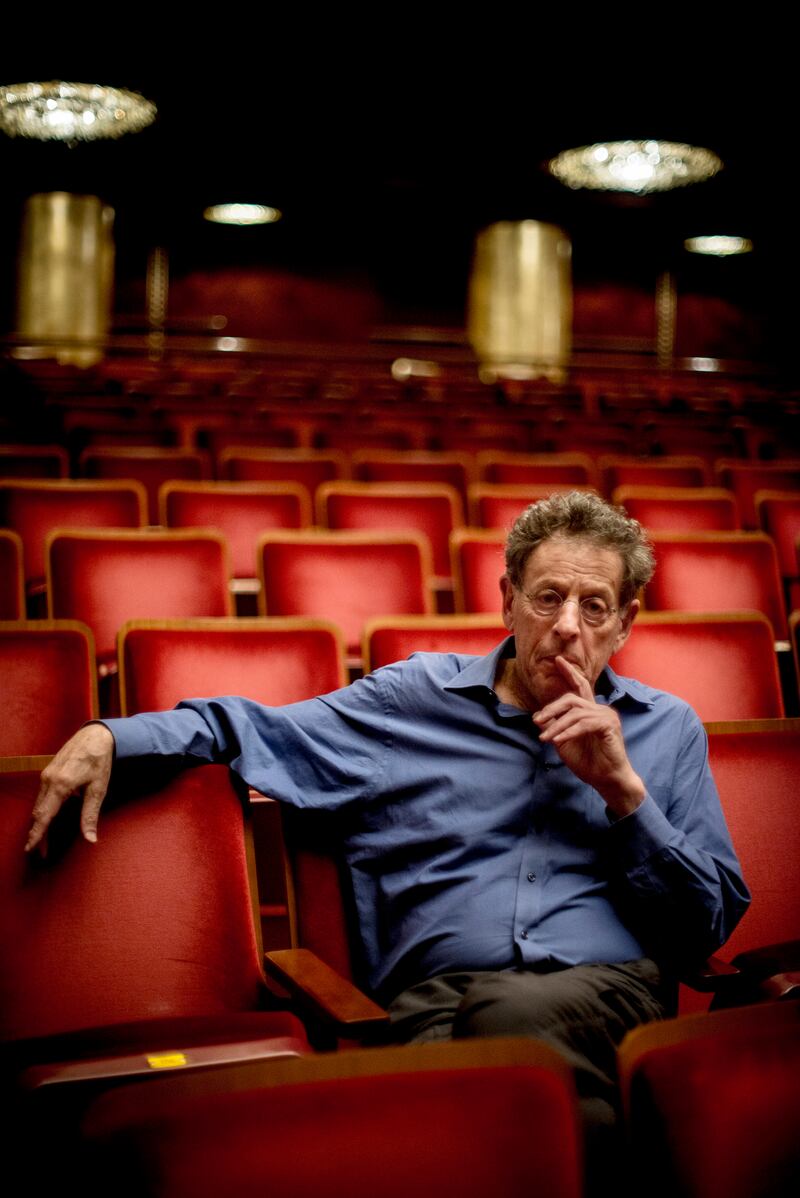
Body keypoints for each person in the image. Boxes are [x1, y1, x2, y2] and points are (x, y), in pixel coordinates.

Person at [26, 491, 749, 1180]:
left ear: (624, 623)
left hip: (610, 994)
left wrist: (624, 793)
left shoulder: (666, 728)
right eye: (548, 597)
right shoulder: (411, 703)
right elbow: (251, 728)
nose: (567, 626)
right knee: (470, 1089)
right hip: (433, 1003)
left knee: (493, 1040)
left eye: (594, 607)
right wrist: (113, 735)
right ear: (507, 601)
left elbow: (704, 926)